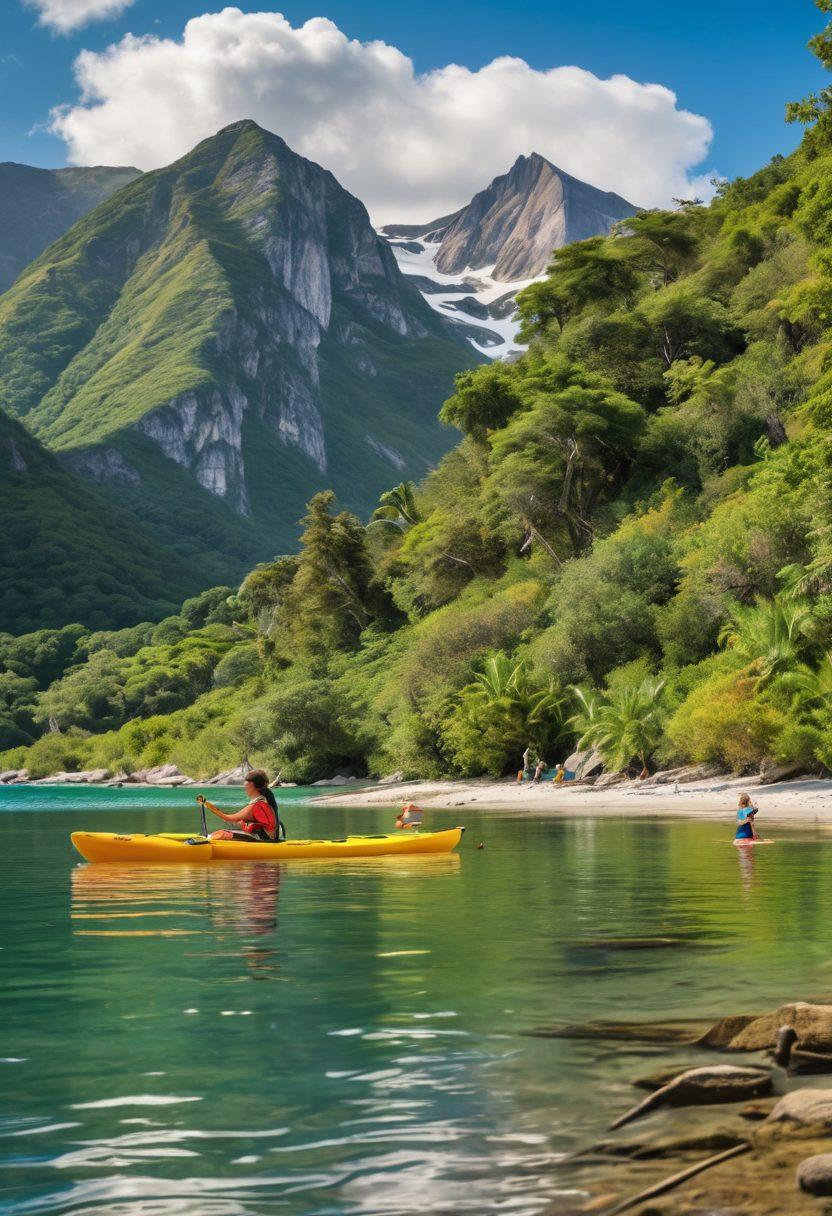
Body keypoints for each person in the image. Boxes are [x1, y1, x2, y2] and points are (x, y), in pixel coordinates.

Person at [198, 770, 285, 842]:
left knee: (223, 834)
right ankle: (209, 837)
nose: (245, 789)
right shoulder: (265, 799)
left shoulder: (257, 805)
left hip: (266, 838)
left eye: (246, 787)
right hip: (272, 836)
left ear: (252, 787)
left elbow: (227, 818)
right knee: (226, 832)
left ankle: (208, 839)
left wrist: (206, 804)